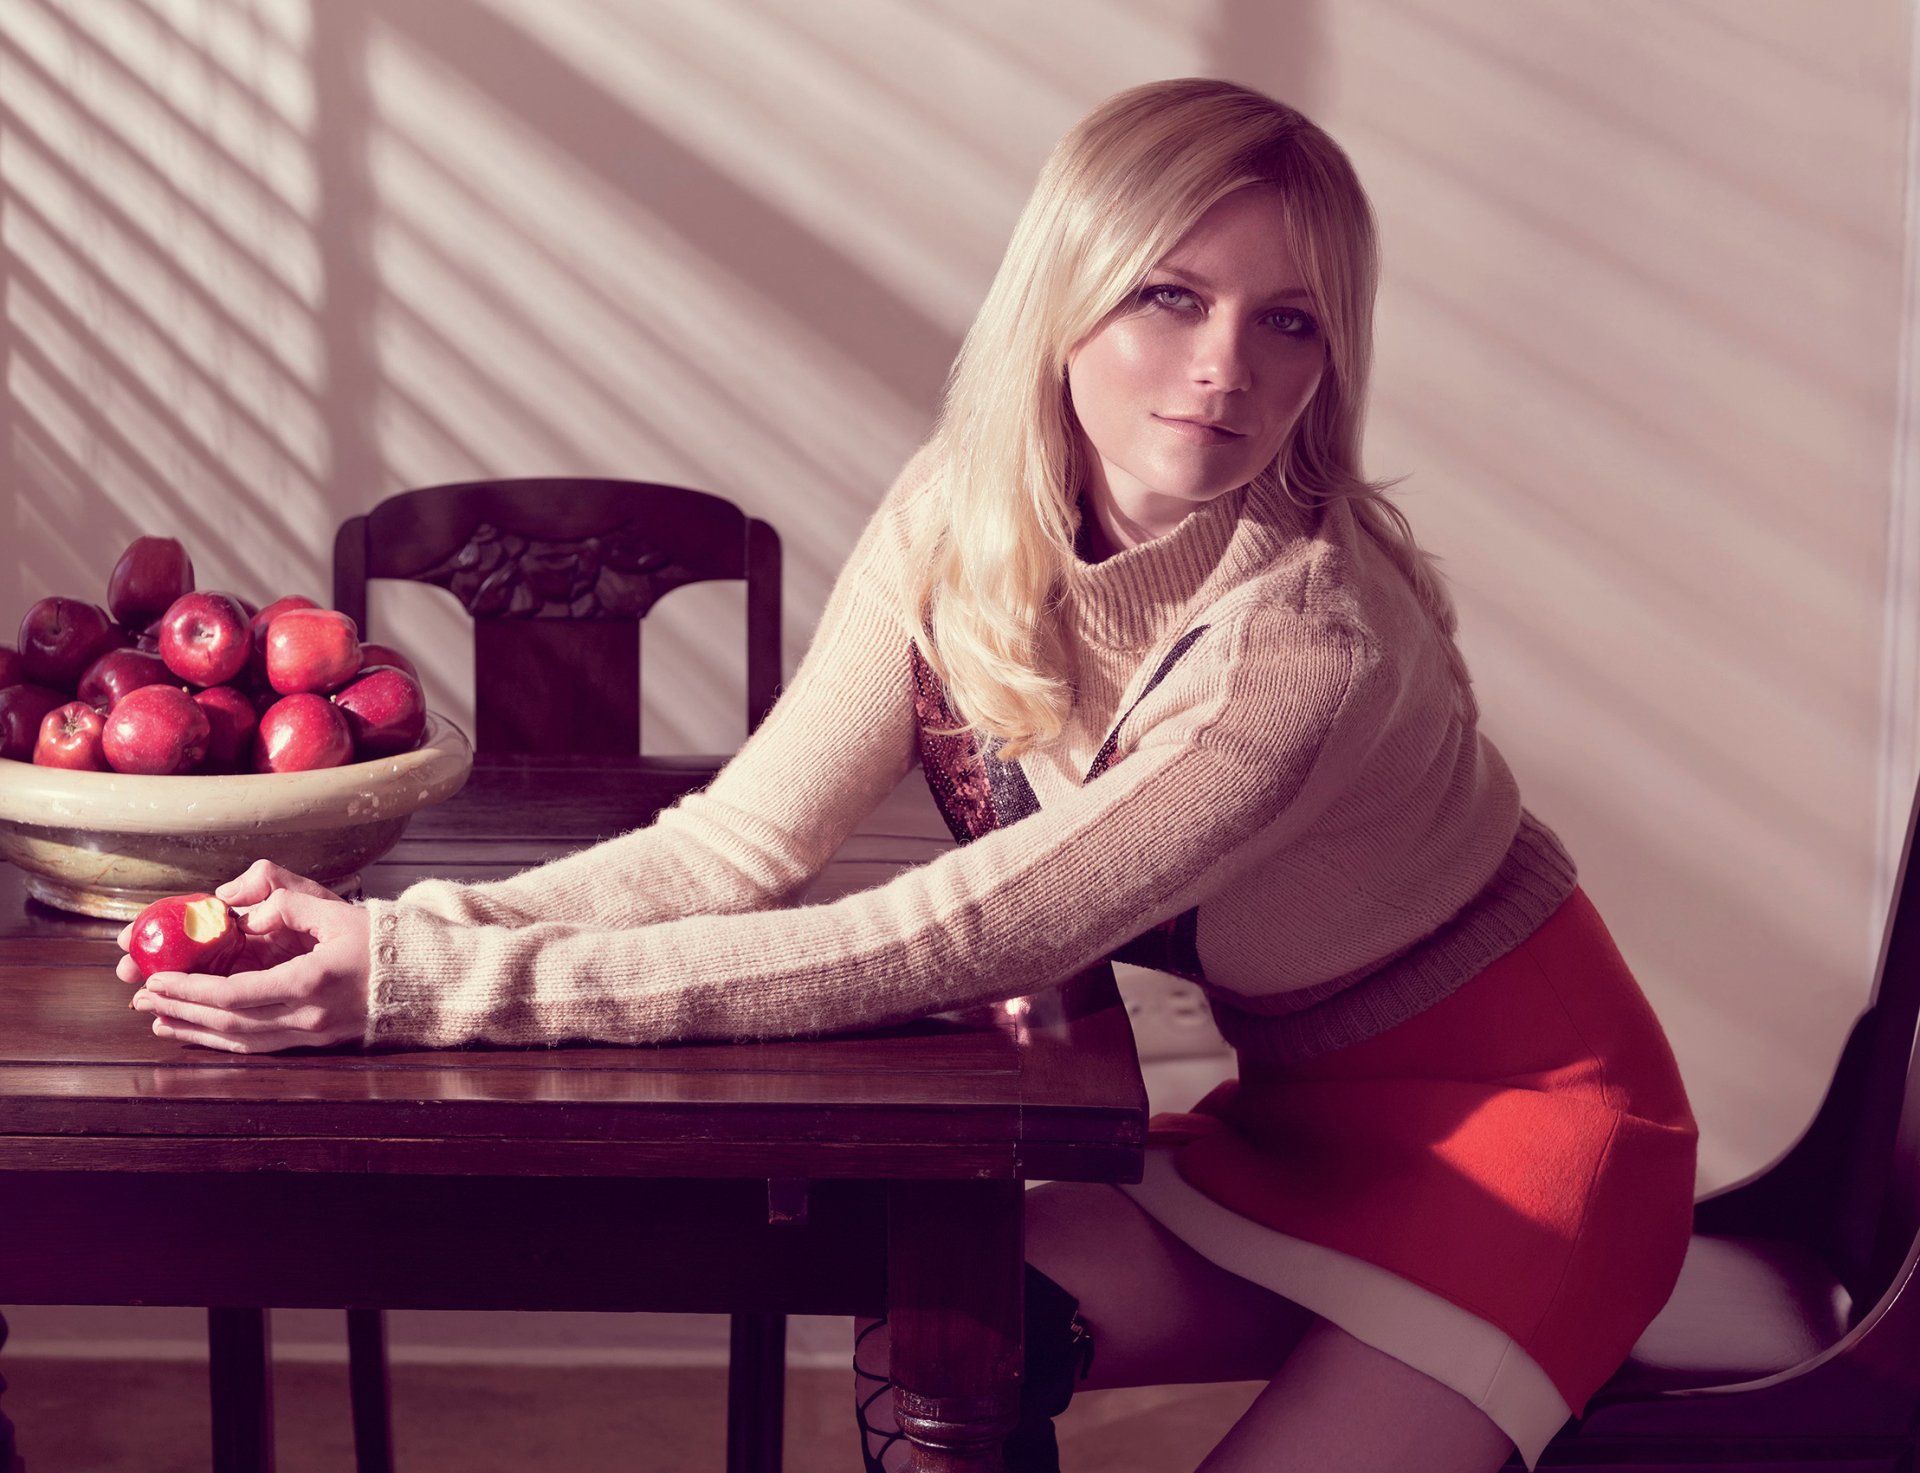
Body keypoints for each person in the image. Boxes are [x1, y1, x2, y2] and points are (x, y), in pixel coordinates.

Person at [119, 77, 1699, 1473]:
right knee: (934, 1317)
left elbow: (963, 934)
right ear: (1064, 298)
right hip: (1296, 1130)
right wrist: (406, 930)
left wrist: (409, 985)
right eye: (1169, 294)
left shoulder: (1305, 647)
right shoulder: (963, 508)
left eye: (1287, 318)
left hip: (1537, 1142)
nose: (1224, 365)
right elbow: (737, 843)